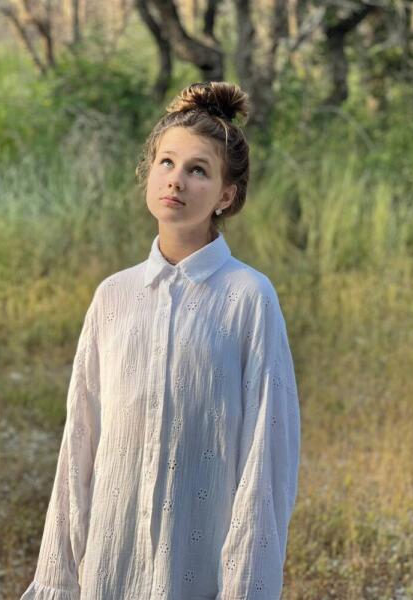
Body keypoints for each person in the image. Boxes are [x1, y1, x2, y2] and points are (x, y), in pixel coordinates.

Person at [20, 80, 301, 600]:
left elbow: (267, 457)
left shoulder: (249, 297)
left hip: (199, 571)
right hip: (111, 565)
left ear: (226, 195)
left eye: (199, 170)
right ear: (148, 172)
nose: (176, 180)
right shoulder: (113, 295)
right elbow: (79, 442)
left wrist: (245, 587)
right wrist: (59, 577)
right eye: (166, 162)